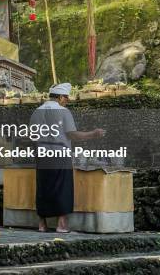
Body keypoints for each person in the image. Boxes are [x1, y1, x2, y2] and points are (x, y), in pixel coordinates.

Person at [32, 83, 106, 233]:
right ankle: (61, 225)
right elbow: (72, 134)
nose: (67, 100)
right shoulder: (63, 111)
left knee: (43, 186)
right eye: (66, 97)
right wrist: (93, 134)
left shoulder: (36, 112)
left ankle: (42, 224)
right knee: (62, 187)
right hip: (60, 153)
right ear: (59, 97)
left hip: (42, 154)